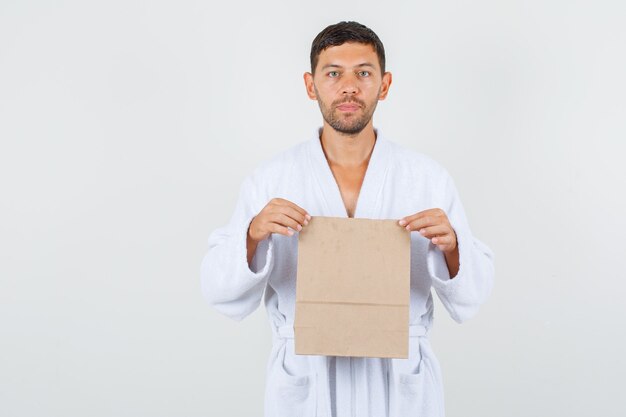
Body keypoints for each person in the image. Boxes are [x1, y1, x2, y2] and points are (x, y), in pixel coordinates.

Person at [200, 20, 494, 417]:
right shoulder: (271, 180)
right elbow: (220, 293)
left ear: (385, 85)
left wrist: (455, 246)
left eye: (364, 73)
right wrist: (252, 236)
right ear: (311, 85)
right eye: (334, 73)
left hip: (398, 382)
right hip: (308, 382)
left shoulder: (427, 179)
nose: (349, 86)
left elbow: (471, 299)